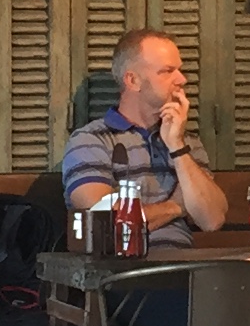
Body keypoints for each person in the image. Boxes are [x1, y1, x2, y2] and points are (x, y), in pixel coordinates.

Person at [61, 29, 230, 246]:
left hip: (182, 261)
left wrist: (177, 147)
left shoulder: (185, 141)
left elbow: (213, 220)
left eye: (180, 70)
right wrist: (176, 206)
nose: (182, 80)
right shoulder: (90, 141)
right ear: (133, 80)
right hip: (121, 264)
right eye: (167, 71)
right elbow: (105, 223)